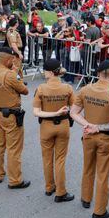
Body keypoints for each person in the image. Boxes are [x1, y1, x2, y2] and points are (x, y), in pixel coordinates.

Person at [70, 60, 109, 218]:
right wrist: (98, 127)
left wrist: (88, 124)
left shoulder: (86, 89)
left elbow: (73, 113)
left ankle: (85, 199)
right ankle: (99, 210)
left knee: (87, 167)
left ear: (97, 73)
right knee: (103, 174)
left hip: (88, 135)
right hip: (105, 139)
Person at [0, 47, 29, 188]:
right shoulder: (10, 75)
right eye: (12, 59)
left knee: (0, 145)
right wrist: (16, 72)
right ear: (7, 59)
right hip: (11, 116)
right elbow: (25, 90)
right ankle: (15, 180)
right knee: (14, 148)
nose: (14, 61)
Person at [33, 59, 75, 202]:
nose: (44, 73)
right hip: (62, 126)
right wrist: (60, 112)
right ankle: (61, 192)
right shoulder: (68, 88)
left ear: (50, 72)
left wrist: (52, 113)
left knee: (47, 159)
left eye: (45, 70)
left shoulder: (41, 89)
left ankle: (49, 187)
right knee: (60, 160)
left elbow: (36, 112)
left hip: (46, 126)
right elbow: (74, 109)